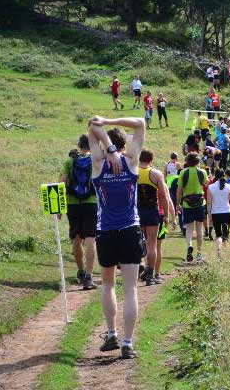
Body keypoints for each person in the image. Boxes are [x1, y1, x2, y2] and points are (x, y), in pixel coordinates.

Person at [87, 115, 146, 359]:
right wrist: (112, 120)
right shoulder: (132, 161)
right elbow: (141, 122)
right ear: (125, 145)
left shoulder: (98, 164)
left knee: (108, 283)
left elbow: (92, 126)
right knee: (130, 289)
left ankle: (111, 333)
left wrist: (107, 148)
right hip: (130, 229)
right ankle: (128, 343)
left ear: (105, 144)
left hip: (105, 231)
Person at [61, 135, 98, 290]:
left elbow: (62, 182)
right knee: (90, 239)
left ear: (79, 145)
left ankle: (81, 271)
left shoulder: (70, 161)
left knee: (76, 238)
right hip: (91, 202)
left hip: (72, 203)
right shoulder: (95, 160)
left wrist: (60, 208)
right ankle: (89, 277)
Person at [136, 149, 172, 286]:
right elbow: (163, 195)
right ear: (151, 159)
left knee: (139, 242)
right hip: (152, 211)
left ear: (140, 158)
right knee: (152, 245)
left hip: (137, 211)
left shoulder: (133, 172)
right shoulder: (156, 174)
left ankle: (140, 266)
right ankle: (150, 275)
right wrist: (167, 215)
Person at [176, 152, 207, 263]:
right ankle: (199, 253)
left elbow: (179, 191)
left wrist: (177, 205)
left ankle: (189, 246)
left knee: (189, 229)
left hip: (187, 204)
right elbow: (206, 183)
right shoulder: (202, 172)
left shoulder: (183, 173)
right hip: (199, 204)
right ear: (198, 161)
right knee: (199, 229)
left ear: (187, 161)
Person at [206, 169, 230, 259]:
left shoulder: (210, 187)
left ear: (215, 176)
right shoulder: (229, 187)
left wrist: (210, 215)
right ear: (224, 175)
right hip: (226, 212)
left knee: (218, 234)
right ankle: (225, 252)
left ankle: (219, 249)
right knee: (225, 234)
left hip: (215, 213)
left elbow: (209, 203)